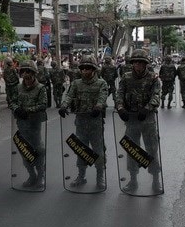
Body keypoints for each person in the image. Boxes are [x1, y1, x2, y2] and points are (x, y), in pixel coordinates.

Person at [115, 49, 162, 193]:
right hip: (131, 119)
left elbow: (156, 96)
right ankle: (133, 180)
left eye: (141, 62)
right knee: (132, 150)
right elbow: (119, 94)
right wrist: (121, 108)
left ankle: (156, 180)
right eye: (135, 62)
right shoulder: (126, 77)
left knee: (152, 149)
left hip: (147, 119)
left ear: (146, 64)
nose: (138, 65)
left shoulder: (154, 78)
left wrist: (148, 108)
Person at [59, 56, 108, 189]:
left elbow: (103, 96)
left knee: (98, 150)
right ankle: (81, 176)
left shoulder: (101, 83)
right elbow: (69, 96)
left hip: (95, 122)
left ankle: (100, 177)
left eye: (88, 68)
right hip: (80, 121)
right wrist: (63, 106)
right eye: (83, 68)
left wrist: (98, 107)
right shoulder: (76, 83)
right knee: (81, 150)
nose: (85, 71)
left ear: (93, 69)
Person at [9, 60, 47, 189]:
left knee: (38, 149)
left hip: (35, 123)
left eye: (28, 71)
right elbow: (12, 101)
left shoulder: (41, 88)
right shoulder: (18, 88)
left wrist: (28, 110)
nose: (26, 74)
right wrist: (16, 109)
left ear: (34, 73)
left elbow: (43, 105)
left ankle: (41, 176)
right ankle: (31, 175)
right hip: (22, 123)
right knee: (25, 150)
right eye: (23, 71)